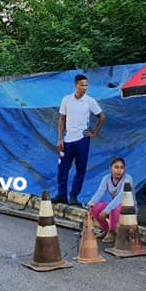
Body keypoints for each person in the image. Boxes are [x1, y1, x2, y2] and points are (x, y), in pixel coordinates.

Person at [55, 74, 105, 206]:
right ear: (75, 85)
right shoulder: (66, 100)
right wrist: (60, 138)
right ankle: (61, 195)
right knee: (63, 168)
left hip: (82, 139)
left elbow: (101, 117)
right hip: (67, 139)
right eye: (82, 85)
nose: (84, 87)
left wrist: (94, 132)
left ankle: (74, 197)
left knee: (80, 169)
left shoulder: (90, 101)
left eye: (86, 85)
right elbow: (62, 119)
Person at [86, 156, 135, 245]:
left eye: (121, 168)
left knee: (114, 207)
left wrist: (106, 210)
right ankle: (106, 229)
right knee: (95, 208)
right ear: (110, 168)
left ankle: (112, 232)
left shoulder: (128, 179)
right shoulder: (106, 178)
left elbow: (119, 198)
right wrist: (92, 202)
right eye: (116, 167)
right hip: (115, 206)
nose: (119, 170)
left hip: (128, 209)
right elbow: (99, 192)